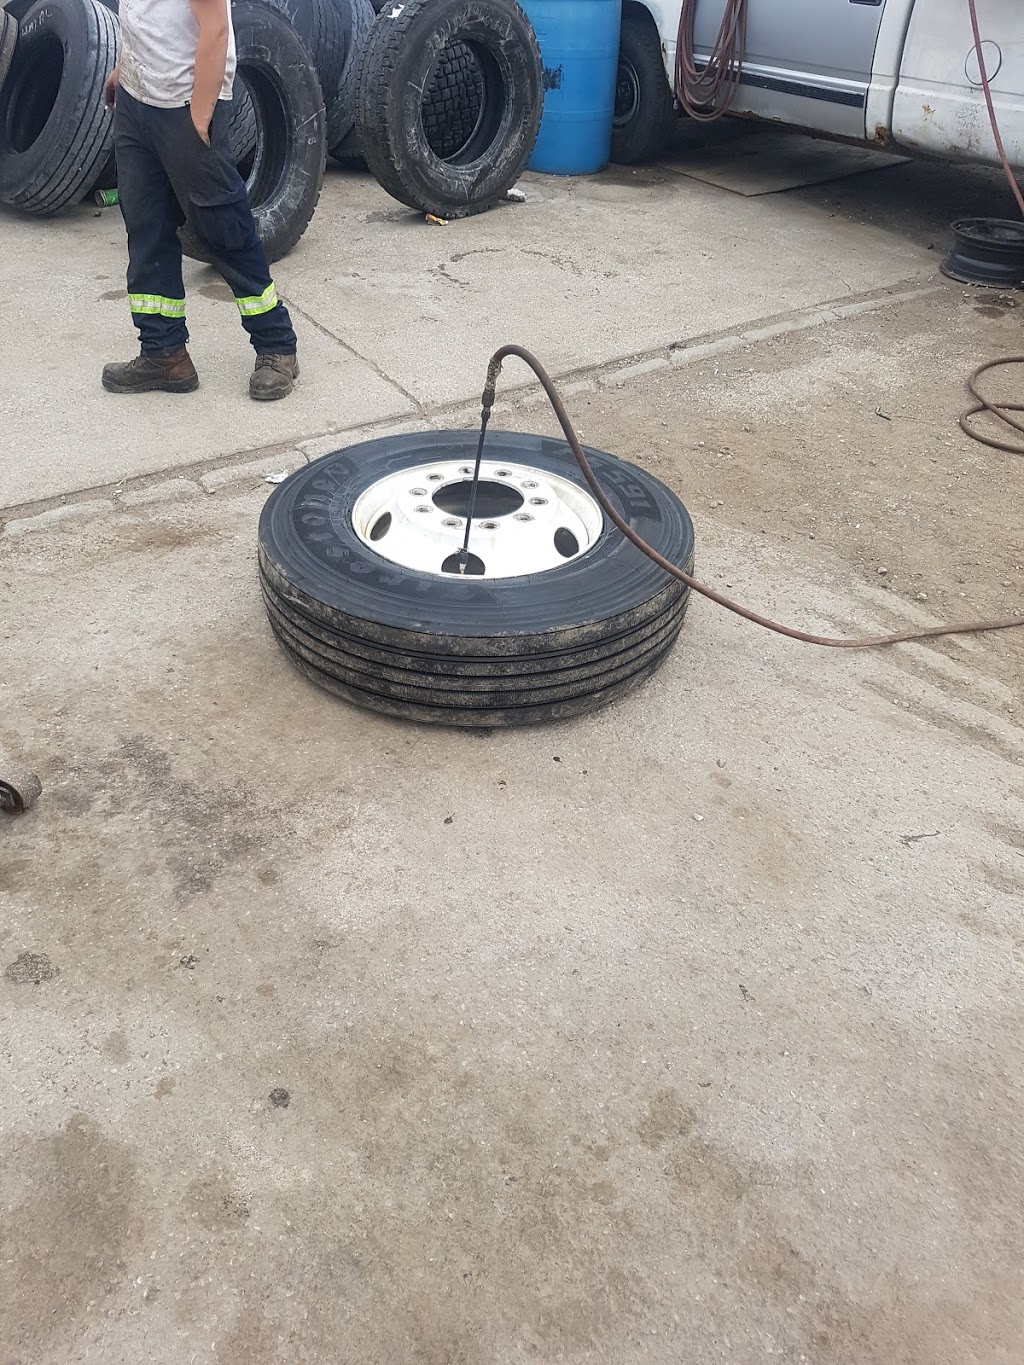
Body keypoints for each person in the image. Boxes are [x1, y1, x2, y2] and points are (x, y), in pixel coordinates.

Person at [102, 0, 299, 400]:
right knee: (146, 226)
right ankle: (163, 352)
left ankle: (276, 344)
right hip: (138, 102)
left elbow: (215, 29)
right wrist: (126, 70)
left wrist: (198, 119)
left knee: (222, 227)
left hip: (184, 104)